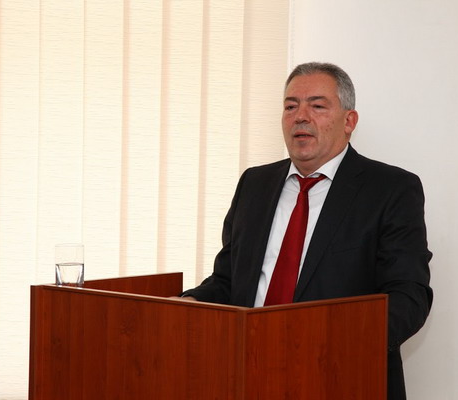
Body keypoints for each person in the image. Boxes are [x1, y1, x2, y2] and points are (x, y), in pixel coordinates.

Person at [180, 62, 433, 400]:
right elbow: (229, 280)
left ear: (349, 121)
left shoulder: (390, 189)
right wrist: (187, 304)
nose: (300, 116)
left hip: (340, 379)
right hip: (248, 373)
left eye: (317, 105)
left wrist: (330, 343)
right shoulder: (255, 184)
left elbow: (408, 296)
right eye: (290, 106)